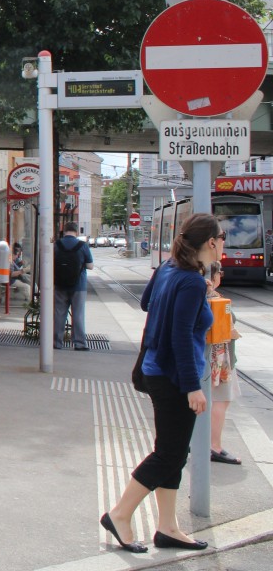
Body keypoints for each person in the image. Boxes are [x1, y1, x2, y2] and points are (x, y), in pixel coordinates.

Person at [100, 212, 220, 554]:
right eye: (221, 237)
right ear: (211, 242)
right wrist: (192, 387)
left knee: (173, 452)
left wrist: (195, 295)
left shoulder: (169, 269)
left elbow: (146, 302)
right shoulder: (191, 281)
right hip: (174, 377)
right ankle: (120, 514)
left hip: (157, 370)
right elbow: (182, 336)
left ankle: (168, 527)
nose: (223, 243)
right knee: (168, 454)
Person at [205, 261, 242, 465]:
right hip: (219, 358)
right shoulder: (211, 297)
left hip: (216, 356)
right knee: (220, 400)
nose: (222, 275)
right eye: (220, 272)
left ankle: (205, 442)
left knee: (216, 400)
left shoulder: (207, 294)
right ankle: (214, 446)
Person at [53, 223, 93, 350]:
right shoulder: (83, 246)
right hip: (79, 285)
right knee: (78, 314)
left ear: (64, 231)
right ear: (76, 232)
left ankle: (56, 342)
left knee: (59, 313)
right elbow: (90, 266)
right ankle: (79, 343)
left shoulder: (56, 245)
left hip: (59, 284)